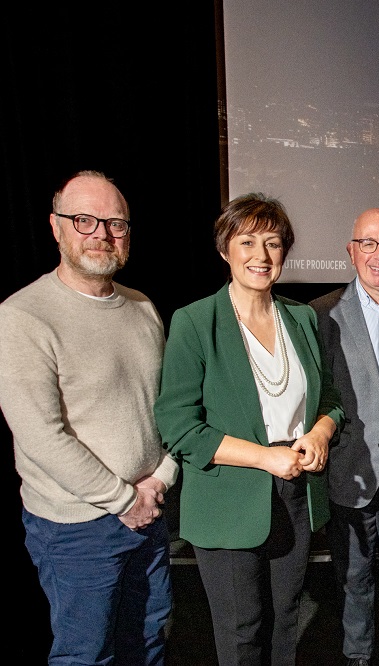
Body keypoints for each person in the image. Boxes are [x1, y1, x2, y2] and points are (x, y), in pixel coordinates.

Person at [154, 193, 343, 666]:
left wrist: (320, 433)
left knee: (285, 619)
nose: (261, 255)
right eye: (248, 241)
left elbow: (331, 403)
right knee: (242, 631)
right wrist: (264, 456)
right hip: (227, 500)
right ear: (225, 249)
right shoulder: (195, 322)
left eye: (274, 243)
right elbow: (178, 426)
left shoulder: (301, 318)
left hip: (295, 494)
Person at [0, 170, 179, 664]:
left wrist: (159, 480)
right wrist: (122, 498)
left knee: (148, 642)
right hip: (77, 528)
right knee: (87, 655)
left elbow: (168, 408)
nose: (100, 233)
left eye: (115, 223)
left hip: (150, 512)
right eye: (84, 220)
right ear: (56, 227)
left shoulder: (143, 307)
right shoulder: (23, 316)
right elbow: (40, 435)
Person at [310, 208, 379, 666]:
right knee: (353, 570)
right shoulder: (322, 314)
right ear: (351, 252)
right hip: (350, 463)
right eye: (369, 244)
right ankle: (357, 652)